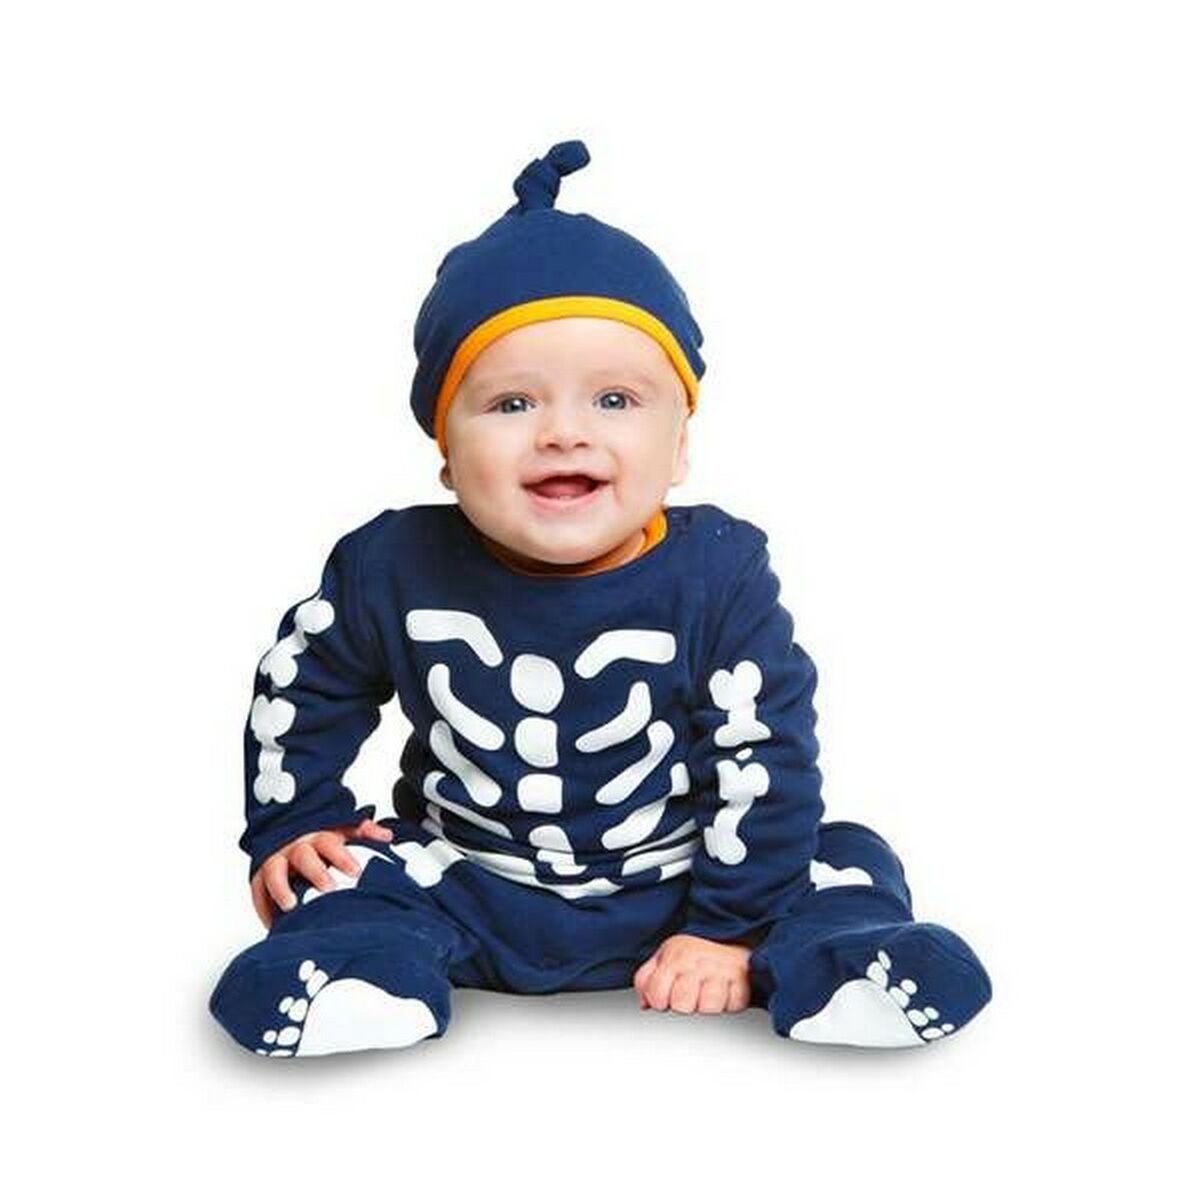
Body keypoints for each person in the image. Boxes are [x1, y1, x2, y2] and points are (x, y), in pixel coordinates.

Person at [208, 139, 992, 1058]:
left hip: (686, 881)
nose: (563, 433)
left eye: (616, 400)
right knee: (339, 875)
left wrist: (728, 927)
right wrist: (296, 823)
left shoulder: (721, 575)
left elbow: (765, 754)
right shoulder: (389, 566)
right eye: (510, 405)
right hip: (465, 878)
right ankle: (360, 970)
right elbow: (304, 685)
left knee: (840, 853)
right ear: (445, 451)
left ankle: (847, 965)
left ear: (680, 446)